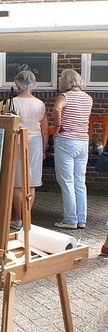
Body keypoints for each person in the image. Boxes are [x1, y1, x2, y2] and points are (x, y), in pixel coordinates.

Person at [4, 70, 49, 230]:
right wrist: (43, 149)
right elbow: (44, 130)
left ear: (17, 84)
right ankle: (27, 217)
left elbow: (5, 126)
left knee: (17, 183)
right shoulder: (40, 104)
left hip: (16, 141)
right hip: (35, 141)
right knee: (32, 182)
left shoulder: (10, 103)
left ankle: (18, 219)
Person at [53, 69, 93, 229]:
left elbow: (57, 109)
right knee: (80, 182)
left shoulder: (64, 96)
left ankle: (70, 219)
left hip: (66, 141)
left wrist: (57, 126)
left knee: (67, 181)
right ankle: (81, 219)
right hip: (83, 141)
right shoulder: (88, 98)